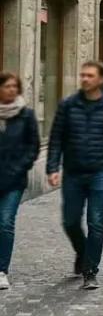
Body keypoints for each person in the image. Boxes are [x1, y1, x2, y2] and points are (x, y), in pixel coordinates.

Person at [46, 61, 103, 290]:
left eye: (90, 75)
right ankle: (82, 252)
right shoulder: (68, 105)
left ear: (101, 80)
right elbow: (56, 139)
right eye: (82, 75)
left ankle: (90, 270)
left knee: (96, 223)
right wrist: (52, 167)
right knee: (70, 221)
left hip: (100, 172)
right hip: (73, 172)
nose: (84, 79)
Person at [0, 73, 40, 290]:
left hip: (14, 180)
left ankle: (2, 270)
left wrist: (20, 167)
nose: (12, 90)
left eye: (15, 86)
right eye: (7, 86)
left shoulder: (26, 115)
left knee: (5, 222)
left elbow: (33, 145)